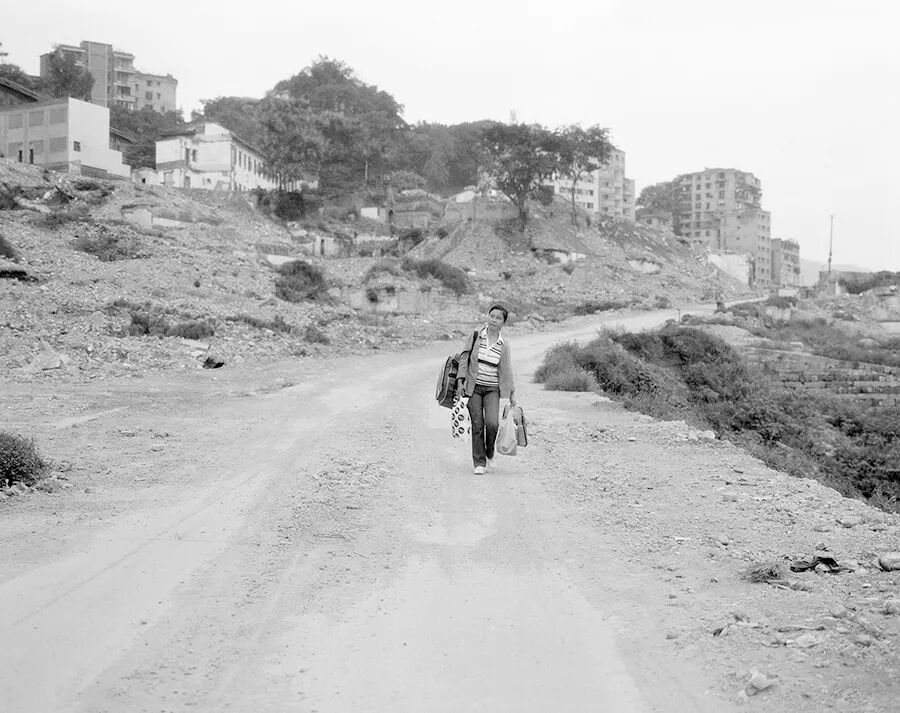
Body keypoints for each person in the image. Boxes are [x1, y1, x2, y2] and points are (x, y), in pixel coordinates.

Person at [457, 304, 516, 474]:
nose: (494, 320)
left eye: (498, 318)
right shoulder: (476, 336)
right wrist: (460, 381)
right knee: (477, 424)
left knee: (492, 424)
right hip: (473, 387)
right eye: (492, 316)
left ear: (503, 322)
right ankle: (479, 463)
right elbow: (464, 358)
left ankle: (490, 452)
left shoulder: (503, 344)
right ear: (488, 317)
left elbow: (507, 369)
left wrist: (512, 393)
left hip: (492, 389)